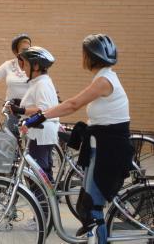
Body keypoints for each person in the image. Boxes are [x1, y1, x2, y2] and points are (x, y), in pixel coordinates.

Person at [28, 34, 133, 243]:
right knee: (87, 204)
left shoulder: (104, 80)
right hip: (102, 145)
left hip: (107, 149)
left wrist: (40, 115)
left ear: (91, 57)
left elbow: (72, 104)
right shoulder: (105, 76)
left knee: (93, 207)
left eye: (84, 53)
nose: (82, 57)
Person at [9, 46, 59, 182]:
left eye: (25, 64)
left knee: (37, 177)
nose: (23, 68)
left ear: (36, 66)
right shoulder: (39, 82)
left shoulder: (42, 84)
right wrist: (20, 103)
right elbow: (37, 104)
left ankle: (42, 203)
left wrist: (21, 110)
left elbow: (43, 110)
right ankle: (48, 202)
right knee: (43, 173)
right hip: (42, 134)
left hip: (40, 134)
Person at [0, 33, 31, 102]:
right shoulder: (8, 64)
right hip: (11, 110)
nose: (27, 53)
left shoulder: (36, 66)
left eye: (29, 50)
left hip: (30, 109)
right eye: (24, 50)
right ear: (16, 52)